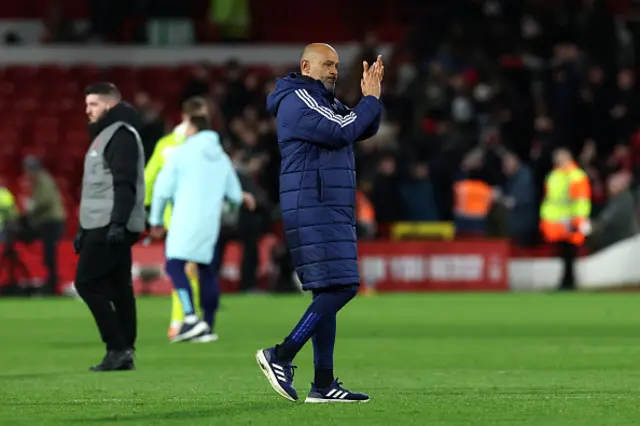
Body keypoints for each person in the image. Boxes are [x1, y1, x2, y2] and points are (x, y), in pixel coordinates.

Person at [256, 43, 383, 403]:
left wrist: (373, 99)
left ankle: (323, 384)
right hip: (315, 204)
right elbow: (344, 130)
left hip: (328, 203)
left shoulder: (322, 101)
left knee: (329, 289)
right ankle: (280, 355)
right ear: (306, 66)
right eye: (327, 64)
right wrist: (368, 101)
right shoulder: (299, 99)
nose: (333, 70)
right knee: (342, 288)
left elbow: (362, 129)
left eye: (336, 65)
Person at [148, 112, 255, 343]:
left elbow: (162, 190)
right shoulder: (222, 157)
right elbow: (235, 195)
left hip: (184, 218)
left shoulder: (181, 153)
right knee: (206, 269)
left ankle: (189, 318)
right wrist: (226, 208)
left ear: (193, 129)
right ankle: (207, 324)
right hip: (210, 221)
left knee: (175, 264)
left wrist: (156, 220)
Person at [75, 82, 146, 371]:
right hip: (102, 222)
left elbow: (124, 184)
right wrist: (83, 228)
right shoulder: (106, 136)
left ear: (109, 105)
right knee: (119, 286)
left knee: (86, 283)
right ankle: (124, 351)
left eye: (93, 104)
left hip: (110, 223)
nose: (87, 110)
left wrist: (117, 223)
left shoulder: (120, 136)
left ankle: (117, 346)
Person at [144, 96, 209, 340]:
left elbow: (149, 178)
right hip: (195, 214)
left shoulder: (165, 144)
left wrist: (152, 213)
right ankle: (182, 322)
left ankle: (186, 321)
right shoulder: (202, 145)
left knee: (184, 269)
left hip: (173, 217)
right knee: (188, 270)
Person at [539, 147, 592, 290]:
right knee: (563, 253)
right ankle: (566, 281)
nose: (557, 161)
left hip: (570, 220)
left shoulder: (576, 176)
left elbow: (582, 200)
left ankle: (569, 282)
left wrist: (579, 220)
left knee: (570, 253)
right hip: (556, 222)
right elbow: (549, 199)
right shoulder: (554, 175)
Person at [22, 156, 66, 295]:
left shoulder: (43, 179)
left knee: (50, 255)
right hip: (49, 222)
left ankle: (52, 285)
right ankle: (51, 283)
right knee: (49, 255)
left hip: (51, 222)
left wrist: (31, 207)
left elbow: (45, 200)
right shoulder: (42, 179)